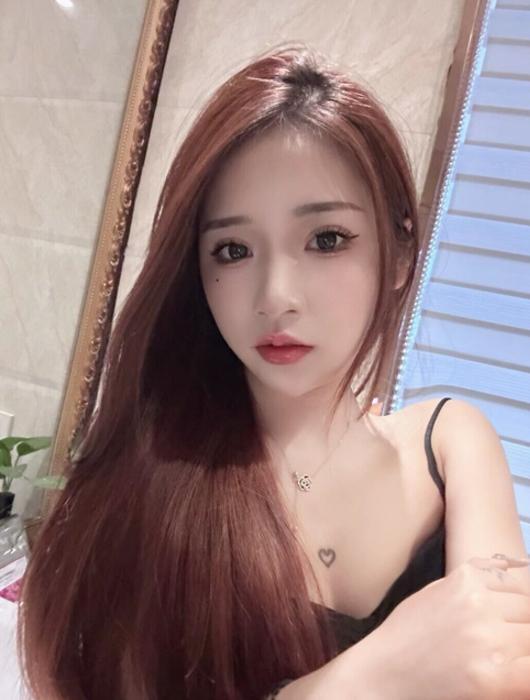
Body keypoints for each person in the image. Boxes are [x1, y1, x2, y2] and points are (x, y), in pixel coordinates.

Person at [18, 44, 530, 700]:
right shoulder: (148, 488)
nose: (276, 297)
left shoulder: (450, 442)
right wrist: (367, 677)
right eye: (233, 250)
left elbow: (504, 666)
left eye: (326, 239)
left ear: (401, 253)